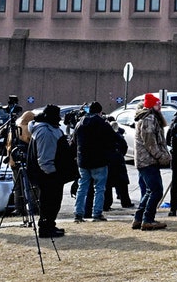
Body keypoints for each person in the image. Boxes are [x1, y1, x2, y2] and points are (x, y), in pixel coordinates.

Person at [132, 94, 170, 231]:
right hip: (147, 161)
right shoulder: (148, 119)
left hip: (145, 160)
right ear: (150, 105)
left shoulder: (149, 117)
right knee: (156, 191)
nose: (160, 106)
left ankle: (138, 218)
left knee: (150, 190)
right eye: (157, 104)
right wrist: (161, 156)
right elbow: (150, 143)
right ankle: (147, 220)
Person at [72, 101, 116, 222]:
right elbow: (113, 140)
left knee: (82, 187)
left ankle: (78, 213)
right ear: (100, 112)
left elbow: (74, 142)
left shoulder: (79, 124)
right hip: (99, 160)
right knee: (100, 188)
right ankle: (97, 213)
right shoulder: (103, 124)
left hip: (83, 161)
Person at [28, 104, 66, 238]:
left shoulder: (43, 129)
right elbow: (44, 158)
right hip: (48, 175)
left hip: (48, 173)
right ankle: (46, 227)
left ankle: (50, 224)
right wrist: (53, 173)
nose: (60, 118)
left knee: (51, 201)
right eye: (57, 115)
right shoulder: (46, 132)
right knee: (49, 201)